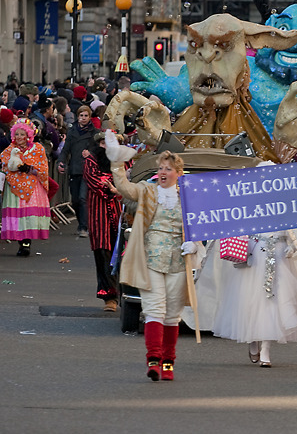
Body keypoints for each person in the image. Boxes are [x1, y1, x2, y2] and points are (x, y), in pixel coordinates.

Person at [185, 223, 297, 368]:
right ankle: (253, 339)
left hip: (279, 255)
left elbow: (296, 222)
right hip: (253, 252)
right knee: (250, 300)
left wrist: (292, 244)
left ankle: (266, 350)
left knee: (274, 302)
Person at [106, 131, 199, 382]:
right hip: (151, 259)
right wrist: (116, 161)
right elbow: (125, 188)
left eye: (169, 168)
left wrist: (194, 243)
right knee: (154, 309)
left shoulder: (189, 196)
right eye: (161, 168)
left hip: (178, 261)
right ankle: (154, 360)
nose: (164, 172)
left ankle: (169, 362)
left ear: (178, 173)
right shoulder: (147, 190)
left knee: (172, 315)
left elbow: (200, 224)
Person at [83, 132, 123, 312]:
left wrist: (116, 187)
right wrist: (112, 187)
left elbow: (127, 183)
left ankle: (124, 294)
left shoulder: (123, 161)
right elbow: (95, 182)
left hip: (120, 214)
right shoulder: (91, 160)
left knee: (122, 254)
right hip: (98, 216)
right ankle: (109, 296)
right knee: (103, 254)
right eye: (103, 143)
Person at [0, 118, 51, 256]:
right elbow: (4, 164)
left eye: (22, 134)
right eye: (17, 134)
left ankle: (26, 243)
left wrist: (29, 168)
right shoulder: (9, 150)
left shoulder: (38, 148)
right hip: (14, 187)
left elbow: (43, 168)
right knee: (18, 217)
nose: (19, 137)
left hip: (32, 187)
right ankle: (21, 243)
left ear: (29, 135)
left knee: (28, 216)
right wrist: (13, 167)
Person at [57, 105, 98, 237]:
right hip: (74, 169)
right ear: (78, 116)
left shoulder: (94, 132)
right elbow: (65, 150)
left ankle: (83, 227)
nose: (83, 118)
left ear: (89, 117)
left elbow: (99, 150)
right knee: (75, 199)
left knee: (82, 198)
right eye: (81, 115)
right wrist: (60, 162)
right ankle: (82, 223)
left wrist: (90, 153)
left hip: (88, 169)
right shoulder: (72, 131)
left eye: (86, 116)